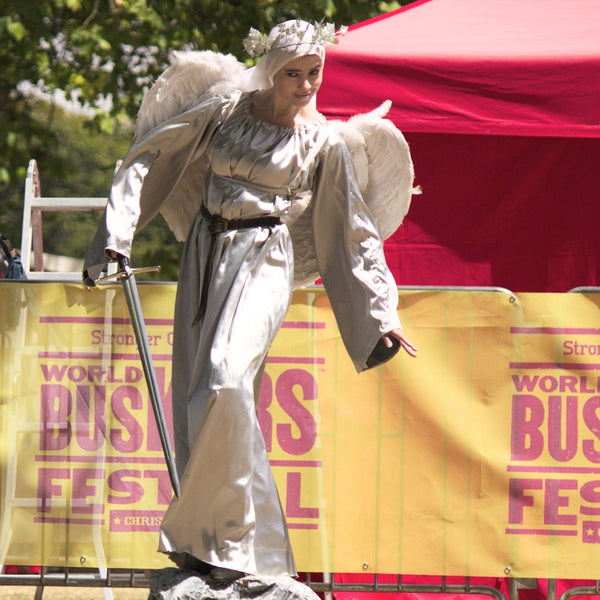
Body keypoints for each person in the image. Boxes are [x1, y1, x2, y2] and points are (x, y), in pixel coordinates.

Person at [83, 19, 418, 582]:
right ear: (270, 70)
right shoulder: (225, 111)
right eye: (294, 74)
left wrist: (380, 313)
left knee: (226, 381)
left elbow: (352, 232)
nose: (307, 84)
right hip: (205, 251)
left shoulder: (324, 142)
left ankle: (229, 541)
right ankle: (228, 549)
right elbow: (149, 156)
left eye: (315, 73)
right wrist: (117, 235)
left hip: (265, 257)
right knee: (197, 396)